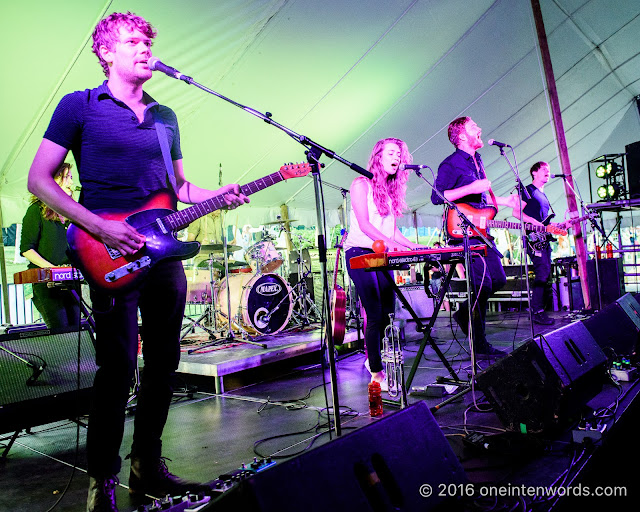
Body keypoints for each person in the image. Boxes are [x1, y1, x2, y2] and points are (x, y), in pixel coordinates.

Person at [26, 12, 249, 512]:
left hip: (163, 254)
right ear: (106, 52)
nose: (145, 48)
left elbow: (179, 188)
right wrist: (100, 227)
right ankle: (100, 482)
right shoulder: (78, 106)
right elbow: (39, 180)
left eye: (149, 41)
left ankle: (147, 462)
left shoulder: (166, 114)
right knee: (117, 367)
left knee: (165, 363)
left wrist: (219, 193)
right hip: (108, 252)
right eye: (133, 41)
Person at [431, 117, 520, 358]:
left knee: (499, 280)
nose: (479, 129)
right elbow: (438, 196)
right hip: (463, 233)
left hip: (482, 231)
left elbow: (481, 200)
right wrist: (471, 188)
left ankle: (463, 313)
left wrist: (504, 201)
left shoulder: (477, 160)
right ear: (461, 136)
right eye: (473, 127)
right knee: (484, 284)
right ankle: (480, 346)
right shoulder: (450, 164)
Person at [344, 137, 424, 390]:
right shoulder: (361, 184)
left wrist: (413, 246)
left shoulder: (388, 191)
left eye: (399, 155)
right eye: (391, 153)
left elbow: (392, 230)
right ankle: (376, 370)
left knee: (389, 314)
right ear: (378, 156)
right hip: (359, 253)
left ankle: (378, 360)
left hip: (382, 254)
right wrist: (391, 243)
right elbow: (366, 225)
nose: (396, 158)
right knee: (375, 313)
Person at [20, 162, 81, 329]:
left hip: (71, 283)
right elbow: (26, 248)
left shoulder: (73, 213)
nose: (71, 182)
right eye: (67, 177)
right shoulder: (36, 211)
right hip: (47, 285)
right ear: (53, 181)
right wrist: (53, 270)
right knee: (60, 332)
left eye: (71, 177)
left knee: (76, 332)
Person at [513, 161, 566, 326]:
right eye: (544, 170)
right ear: (534, 172)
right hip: (533, 239)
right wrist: (536, 224)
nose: (548, 172)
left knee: (544, 273)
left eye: (549, 170)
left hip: (543, 238)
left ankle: (538, 310)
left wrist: (560, 226)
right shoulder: (528, 191)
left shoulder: (543, 195)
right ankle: (537, 311)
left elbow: (544, 222)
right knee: (542, 272)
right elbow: (516, 212)